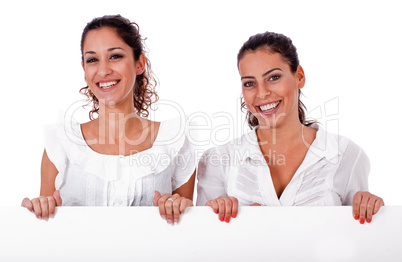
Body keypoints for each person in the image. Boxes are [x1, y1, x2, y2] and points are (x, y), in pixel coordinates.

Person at [21, 15, 197, 224]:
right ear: (84, 69)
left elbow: (187, 230)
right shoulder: (61, 142)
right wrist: (38, 210)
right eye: (92, 60)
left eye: (115, 56)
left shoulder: (176, 142)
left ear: (139, 63)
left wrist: (177, 206)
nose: (103, 70)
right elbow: (44, 226)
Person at [196, 31, 384, 224]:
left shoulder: (345, 154)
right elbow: (202, 241)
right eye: (250, 83)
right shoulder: (217, 160)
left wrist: (370, 207)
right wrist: (219, 217)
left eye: (273, 77)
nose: (262, 93)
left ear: (299, 77)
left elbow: (357, 237)